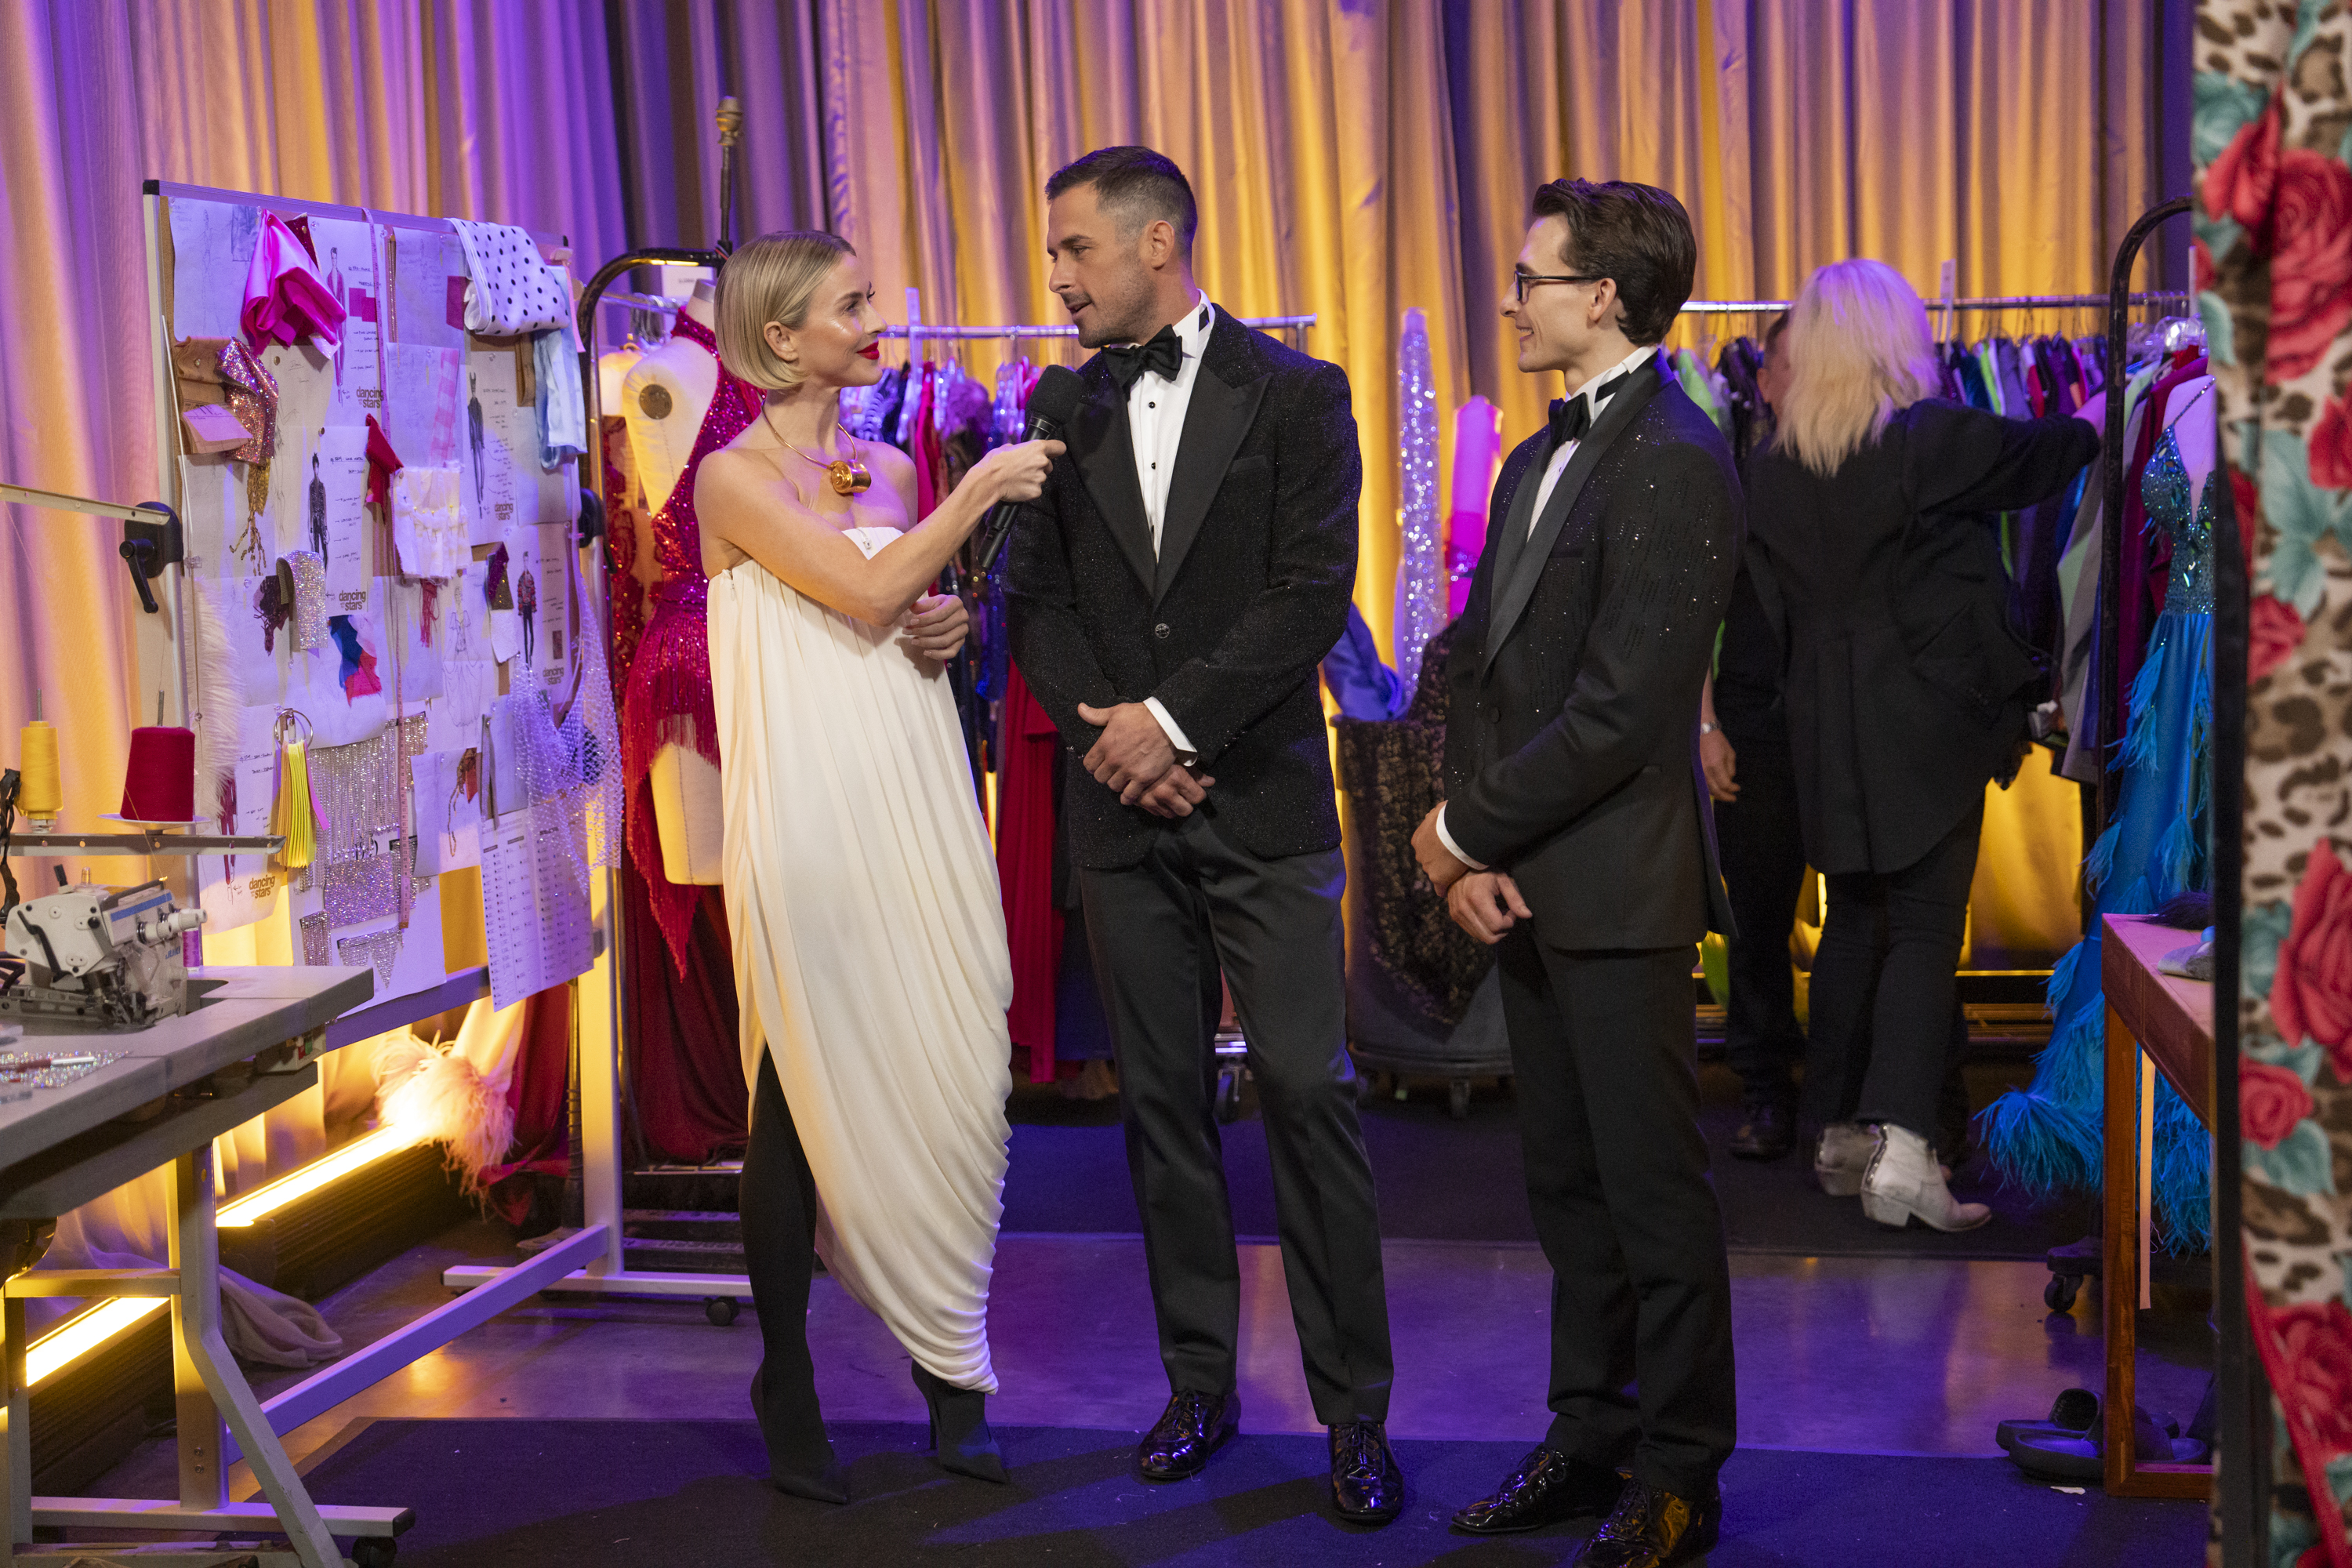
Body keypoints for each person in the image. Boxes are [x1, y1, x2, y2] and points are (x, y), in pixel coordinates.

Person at [1003, 145, 1403, 1526]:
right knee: (1162, 1111)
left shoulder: (1299, 395)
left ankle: (1356, 1414)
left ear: (1157, 242)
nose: (1057, 280)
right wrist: (1116, 733)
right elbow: (1029, 601)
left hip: (1263, 799)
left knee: (1307, 1091)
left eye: (1073, 252)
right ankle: (1198, 1387)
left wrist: (1170, 725)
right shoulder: (1056, 406)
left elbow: (1310, 596)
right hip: (1124, 817)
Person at [694, 230, 1062, 1501]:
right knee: (796, 1096)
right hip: (808, 816)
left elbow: (898, 615)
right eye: (851, 304)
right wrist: (971, 504)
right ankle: (793, 1386)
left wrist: (947, 625)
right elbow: (851, 599)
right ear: (782, 337)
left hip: (911, 787)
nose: (878, 315)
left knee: (954, 1059)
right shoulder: (731, 482)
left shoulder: (894, 460)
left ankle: (948, 1362)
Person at [1411, 177, 1740, 1568]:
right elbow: (1488, 670)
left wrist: (1462, 834)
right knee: (1566, 1189)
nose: (1511, 298)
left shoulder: (1675, 453)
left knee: (1651, 1193)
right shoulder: (1534, 454)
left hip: (1618, 891)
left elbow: (1624, 713)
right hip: (1529, 878)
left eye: (1531, 276)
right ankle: (1587, 1431)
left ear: (1603, 294)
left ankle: (1679, 1473)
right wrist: (1464, 838)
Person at [1744, 258, 2097, 1232]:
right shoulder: (1923, 440)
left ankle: (1841, 1130)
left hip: (1825, 733)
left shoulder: (1772, 468)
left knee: (1855, 922)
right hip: (1923, 730)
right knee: (1927, 929)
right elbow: (2049, 454)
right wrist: (2115, 406)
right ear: (1891, 339)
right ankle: (1904, 1146)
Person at [1700, 314, 1806, 1161]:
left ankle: (1845, 1095)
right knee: (1758, 917)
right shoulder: (1728, 472)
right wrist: (1706, 723)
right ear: (1762, 380)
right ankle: (1767, 1088)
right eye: (1783, 367)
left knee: (1863, 920)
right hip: (1750, 719)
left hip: (1837, 720)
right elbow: (1691, 614)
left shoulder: (1864, 467)